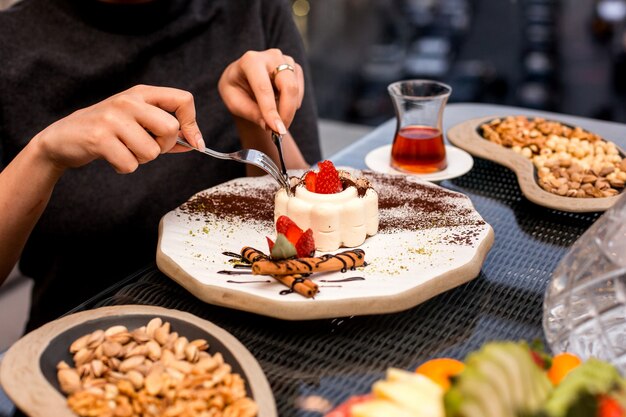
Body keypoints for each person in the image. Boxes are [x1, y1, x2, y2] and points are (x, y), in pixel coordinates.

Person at [0, 0, 321, 331]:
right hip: (83, 351)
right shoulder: (10, 43)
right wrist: (43, 154)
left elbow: (302, 217)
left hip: (258, 334)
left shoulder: (255, 11)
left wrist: (253, 121)